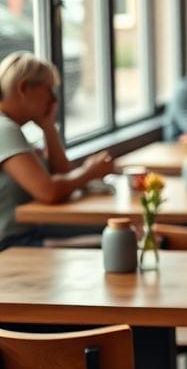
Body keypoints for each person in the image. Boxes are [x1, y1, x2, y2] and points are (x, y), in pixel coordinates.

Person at [0, 52, 113, 249]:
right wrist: (90, 172)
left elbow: (62, 175)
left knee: (122, 232)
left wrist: (48, 126)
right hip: (12, 243)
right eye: (49, 90)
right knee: (122, 239)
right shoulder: (4, 129)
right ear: (24, 88)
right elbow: (49, 192)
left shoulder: (12, 128)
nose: (54, 100)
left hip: (33, 231)